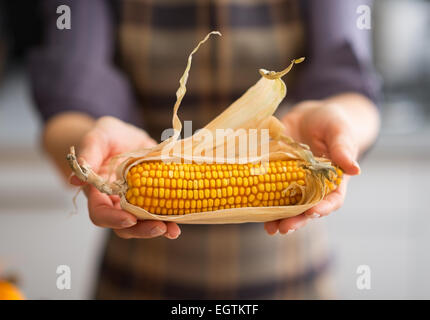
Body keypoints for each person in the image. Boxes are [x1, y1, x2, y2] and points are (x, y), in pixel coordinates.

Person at [29, 0, 380, 299]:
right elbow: (71, 95)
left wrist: (341, 124)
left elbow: (348, 82)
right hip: (138, 274)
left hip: (288, 271)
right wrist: (93, 143)